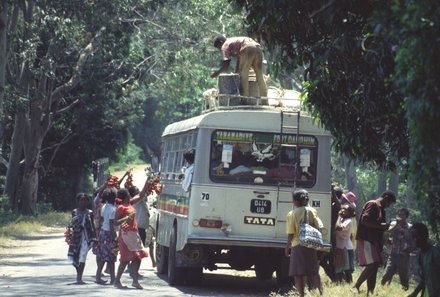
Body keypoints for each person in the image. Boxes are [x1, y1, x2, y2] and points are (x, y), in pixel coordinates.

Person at [352, 190, 396, 295]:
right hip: (366, 238)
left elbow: (380, 225)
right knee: (374, 264)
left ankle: (370, 291)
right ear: (385, 197)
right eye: (389, 202)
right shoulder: (373, 204)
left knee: (375, 267)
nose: (389, 205)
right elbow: (364, 220)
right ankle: (356, 286)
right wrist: (382, 226)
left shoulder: (381, 209)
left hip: (374, 241)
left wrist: (386, 232)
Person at [285, 189, 323, 297]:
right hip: (310, 243)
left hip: (297, 245)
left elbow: (291, 233)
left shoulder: (292, 214)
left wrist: (287, 246)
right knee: (313, 271)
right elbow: (317, 225)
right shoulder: (312, 211)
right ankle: (321, 292)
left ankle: (301, 294)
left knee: (298, 273)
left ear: (295, 201)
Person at [114, 184, 149, 289]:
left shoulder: (129, 203)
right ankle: (117, 281)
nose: (130, 194)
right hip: (126, 234)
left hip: (134, 233)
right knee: (125, 259)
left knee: (138, 257)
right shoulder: (121, 207)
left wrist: (148, 181)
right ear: (126, 196)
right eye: (128, 193)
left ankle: (135, 280)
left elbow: (141, 195)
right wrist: (126, 219)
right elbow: (115, 222)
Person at [67, 193, 97, 284]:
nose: (83, 202)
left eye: (85, 200)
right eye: (81, 200)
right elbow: (72, 224)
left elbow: (93, 226)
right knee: (74, 257)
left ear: (87, 202)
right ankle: (79, 274)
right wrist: (69, 234)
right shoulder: (74, 212)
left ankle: (79, 278)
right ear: (78, 201)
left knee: (82, 257)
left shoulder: (90, 213)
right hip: (76, 237)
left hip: (86, 238)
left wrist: (95, 238)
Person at [381, 208, 414, 290]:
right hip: (393, 254)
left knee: (404, 277)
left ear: (406, 216)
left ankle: (405, 292)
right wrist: (396, 225)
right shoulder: (393, 224)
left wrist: (409, 249)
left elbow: (413, 241)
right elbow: (387, 233)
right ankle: (382, 290)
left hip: (404, 256)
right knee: (386, 274)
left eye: (402, 215)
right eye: (399, 214)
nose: (400, 216)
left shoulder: (410, 227)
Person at [408, 223, 440, 297]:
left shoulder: (436, 253)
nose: (414, 239)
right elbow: (425, 279)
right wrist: (414, 293)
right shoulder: (420, 255)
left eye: (416, 236)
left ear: (425, 236)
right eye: (412, 237)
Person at [95, 188, 118, 285]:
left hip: (103, 232)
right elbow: (112, 226)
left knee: (103, 256)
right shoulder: (113, 209)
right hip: (109, 234)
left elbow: (101, 220)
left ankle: (99, 276)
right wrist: (115, 238)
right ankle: (111, 278)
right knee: (111, 257)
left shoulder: (104, 206)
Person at [334, 204, 356, 283]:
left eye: (345, 210)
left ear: (350, 213)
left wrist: (338, 216)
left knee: (347, 269)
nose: (343, 210)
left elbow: (338, 228)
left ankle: (349, 284)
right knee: (340, 267)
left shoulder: (348, 221)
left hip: (345, 247)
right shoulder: (343, 219)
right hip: (341, 246)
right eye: (343, 209)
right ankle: (342, 284)